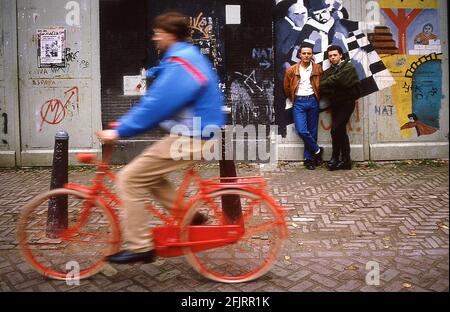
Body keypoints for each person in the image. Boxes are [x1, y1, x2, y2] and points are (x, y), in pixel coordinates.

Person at [97, 12, 225, 264]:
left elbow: (156, 105)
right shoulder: (183, 59)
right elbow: (156, 100)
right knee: (149, 176)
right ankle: (189, 215)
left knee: (129, 178)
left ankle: (140, 246)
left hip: (193, 136)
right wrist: (121, 124)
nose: (154, 37)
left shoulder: (182, 64)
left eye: (158, 32)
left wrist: (119, 131)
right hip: (194, 133)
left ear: (169, 34)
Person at [283, 40, 324, 170]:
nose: (306, 55)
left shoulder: (318, 68)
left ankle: (309, 159)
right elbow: (286, 87)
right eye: (304, 53)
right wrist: (294, 98)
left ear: (312, 55)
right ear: (299, 55)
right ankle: (317, 150)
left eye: (309, 53)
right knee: (302, 130)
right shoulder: (292, 70)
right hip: (299, 102)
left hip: (313, 101)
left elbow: (322, 84)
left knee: (312, 132)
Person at [320, 45, 361, 171]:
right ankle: (345, 161)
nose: (332, 58)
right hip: (336, 104)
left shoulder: (349, 67)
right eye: (330, 56)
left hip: (347, 103)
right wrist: (337, 84)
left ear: (340, 55)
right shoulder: (328, 71)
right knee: (341, 130)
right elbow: (322, 86)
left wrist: (334, 84)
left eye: (335, 55)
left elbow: (342, 81)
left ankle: (334, 158)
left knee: (335, 129)